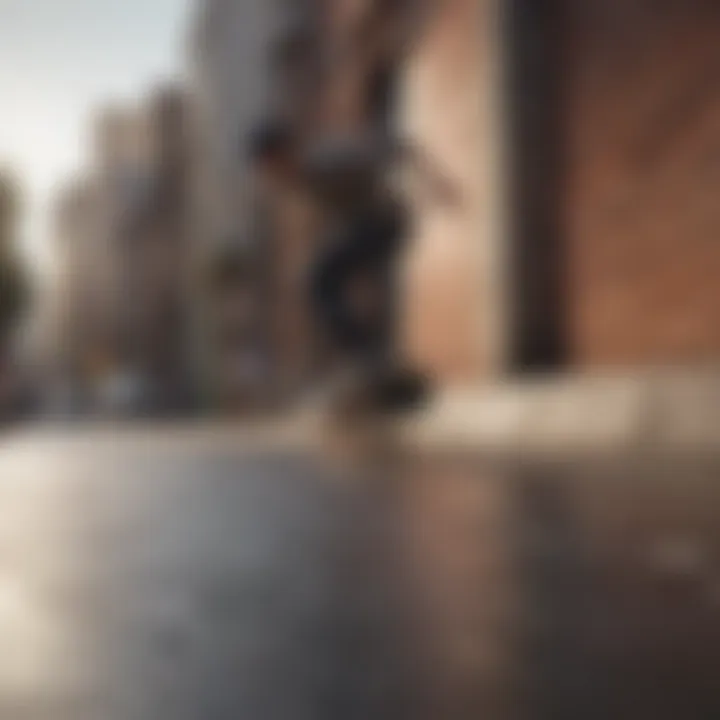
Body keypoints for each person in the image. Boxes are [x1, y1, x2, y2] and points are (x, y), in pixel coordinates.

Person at [246, 119, 459, 410]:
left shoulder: (329, 160)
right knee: (325, 281)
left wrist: (438, 185)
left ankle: (365, 359)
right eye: (265, 172)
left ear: (284, 154)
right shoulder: (300, 180)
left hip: (385, 222)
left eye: (271, 167)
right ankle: (373, 362)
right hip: (365, 227)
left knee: (320, 279)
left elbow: (399, 147)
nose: (271, 177)